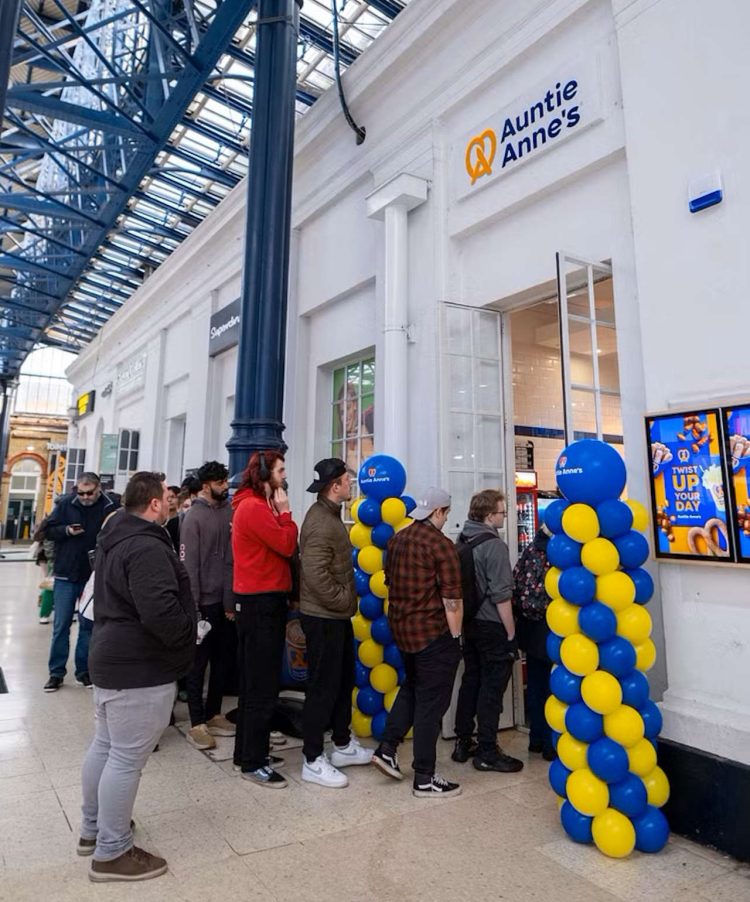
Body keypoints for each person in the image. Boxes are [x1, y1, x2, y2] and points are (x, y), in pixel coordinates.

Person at [79, 471, 195, 883]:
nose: (173, 499)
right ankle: (112, 853)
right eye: (167, 495)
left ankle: (93, 829)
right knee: (125, 759)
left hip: (112, 656)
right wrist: (188, 636)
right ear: (153, 504)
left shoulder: (115, 537)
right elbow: (160, 610)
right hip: (138, 666)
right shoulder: (146, 545)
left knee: (106, 746)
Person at [371, 487, 464, 797]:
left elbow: (388, 582)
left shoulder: (396, 540)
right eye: (446, 513)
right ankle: (424, 776)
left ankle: (387, 748)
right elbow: (452, 599)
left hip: (403, 632)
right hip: (433, 634)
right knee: (430, 705)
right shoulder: (441, 545)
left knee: (412, 688)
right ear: (438, 512)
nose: (446, 519)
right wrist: (456, 637)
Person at [299, 458, 372, 788]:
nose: (350, 484)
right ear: (335, 486)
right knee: (322, 687)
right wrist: (344, 600)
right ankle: (312, 759)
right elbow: (315, 575)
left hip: (335, 616)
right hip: (323, 617)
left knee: (342, 682)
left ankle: (341, 744)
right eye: (346, 480)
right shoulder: (320, 522)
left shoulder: (329, 516)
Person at [232, 450, 298, 788]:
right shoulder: (254, 508)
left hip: (257, 602)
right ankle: (253, 762)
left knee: (253, 684)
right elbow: (287, 545)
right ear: (265, 473)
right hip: (260, 604)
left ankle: (246, 752)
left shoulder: (254, 505)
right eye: (281, 469)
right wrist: (286, 514)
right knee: (261, 686)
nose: (285, 475)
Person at [452, 490, 524, 773]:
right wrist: (511, 634)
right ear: (488, 515)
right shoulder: (494, 545)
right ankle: (487, 751)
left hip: (469, 622)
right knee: (492, 689)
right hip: (492, 624)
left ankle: (463, 741)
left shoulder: (463, 538)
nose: (504, 517)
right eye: (502, 512)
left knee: (471, 680)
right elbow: (502, 596)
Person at [43, 472, 119, 692]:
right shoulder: (66, 503)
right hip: (66, 573)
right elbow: (47, 531)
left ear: (98, 489)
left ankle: (84, 671)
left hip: (93, 576)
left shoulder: (108, 506)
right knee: (61, 625)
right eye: (81, 492)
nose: (85, 497)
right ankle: (56, 673)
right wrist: (66, 530)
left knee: (88, 625)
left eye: (90, 493)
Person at [180, 461, 235, 750]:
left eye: (225, 481)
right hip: (202, 604)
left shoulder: (228, 510)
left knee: (223, 662)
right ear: (205, 486)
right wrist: (195, 608)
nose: (225, 486)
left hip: (225, 602)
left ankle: (214, 713)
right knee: (197, 666)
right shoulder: (192, 518)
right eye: (220, 482)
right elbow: (189, 567)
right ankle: (196, 722)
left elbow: (231, 558)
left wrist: (230, 600)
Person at [514, 524, 555, 760]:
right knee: (553, 688)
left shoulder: (530, 549)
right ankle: (550, 744)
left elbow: (516, 581)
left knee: (536, 685)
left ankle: (535, 740)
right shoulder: (558, 553)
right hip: (550, 625)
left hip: (529, 627)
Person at [165, 484, 181, 552]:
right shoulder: (161, 521)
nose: (170, 500)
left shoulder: (181, 520)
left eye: (173, 497)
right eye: (167, 497)